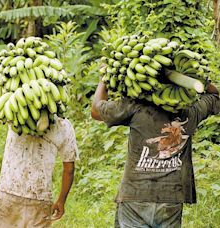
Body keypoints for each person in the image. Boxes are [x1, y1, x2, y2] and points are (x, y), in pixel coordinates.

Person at [91, 80, 220, 227]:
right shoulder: (190, 112)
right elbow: (215, 95)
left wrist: (103, 81)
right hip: (171, 198)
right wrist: (200, 80)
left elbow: (96, 110)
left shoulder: (136, 106)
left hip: (136, 194)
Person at [0, 90, 78, 228]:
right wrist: (61, 201)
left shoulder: (14, 113)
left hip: (9, 190)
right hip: (40, 196)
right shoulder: (63, 125)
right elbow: (69, 169)